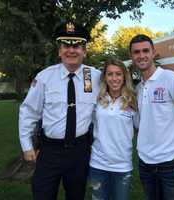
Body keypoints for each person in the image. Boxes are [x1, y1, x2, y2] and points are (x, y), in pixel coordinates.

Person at [19, 22, 101, 200]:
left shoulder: (94, 76)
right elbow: (29, 112)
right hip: (50, 151)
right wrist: (27, 146)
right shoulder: (45, 77)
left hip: (80, 151)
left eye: (77, 46)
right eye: (66, 45)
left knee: (76, 195)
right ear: (59, 51)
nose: (71, 51)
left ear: (84, 51)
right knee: (42, 194)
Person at [129, 34, 174, 200]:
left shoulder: (171, 78)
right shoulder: (138, 89)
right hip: (145, 163)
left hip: (171, 163)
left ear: (154, 53)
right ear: (131, 56)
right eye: (136, 52)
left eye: (146, 50)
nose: (141, 55)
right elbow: (140, 125)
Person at [89, 58, 137, 200]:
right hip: (98, 163)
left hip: (123, 166)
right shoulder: (97, 99)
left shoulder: (133, 101)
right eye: (110, 74)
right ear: (104, 77)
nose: (114, 78)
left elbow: (139, 128)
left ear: (124, 77)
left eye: (118, 74)